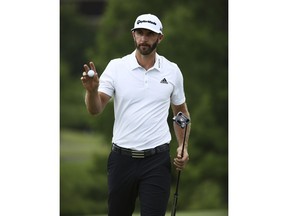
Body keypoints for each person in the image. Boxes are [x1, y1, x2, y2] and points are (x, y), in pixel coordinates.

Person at [81, 13, 190, 216]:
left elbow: (180, 112)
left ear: (160, 37)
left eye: (150, 34)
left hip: (157, 160)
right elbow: (95, 109)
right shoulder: (116, 67)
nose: (144, 38)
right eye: (140, 33)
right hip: (122, 159)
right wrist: (92, 91)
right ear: (133, 35)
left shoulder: (172, 70)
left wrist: (183, 147)